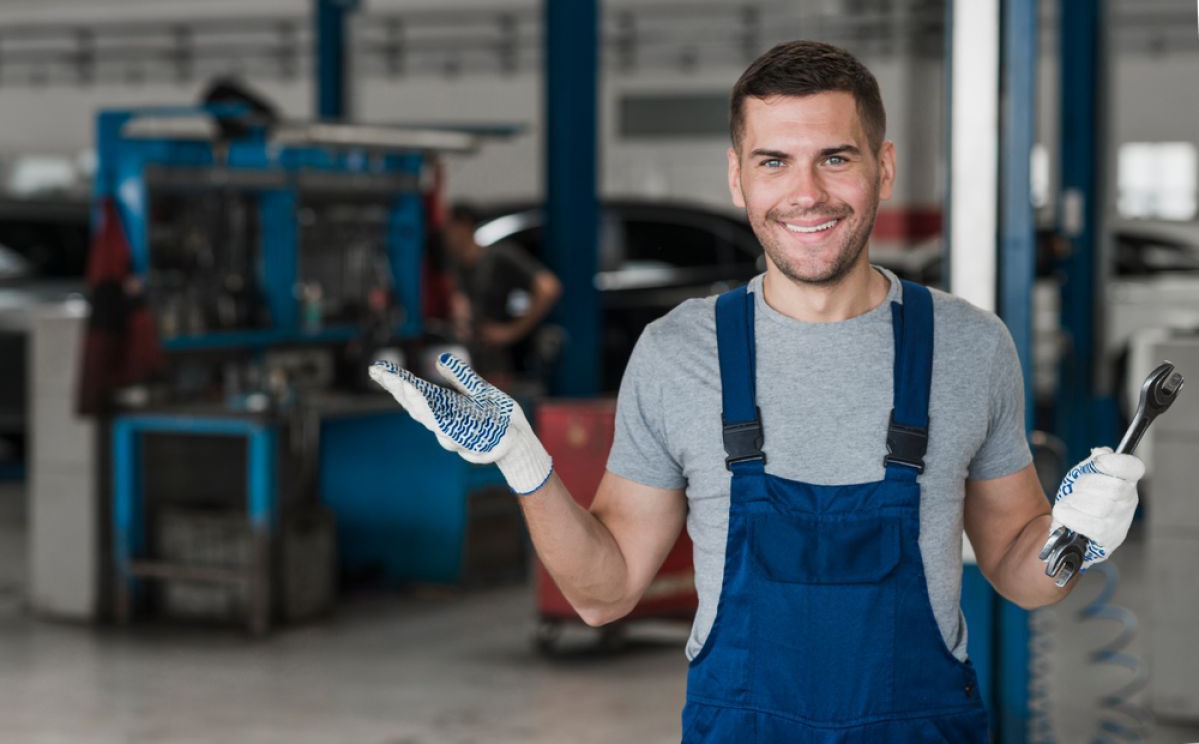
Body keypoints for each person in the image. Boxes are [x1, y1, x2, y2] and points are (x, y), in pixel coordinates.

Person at [370, 41, 1144, 741]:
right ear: (737, 178)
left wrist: (1070, 537)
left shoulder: (969, 347)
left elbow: (1021, 577)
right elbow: (602, 596)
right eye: (774, 161)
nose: (805, 193)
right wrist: (525, 465)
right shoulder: (678, 353)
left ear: (884, 165)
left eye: (835, 158)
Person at [440, 202, 563, 386]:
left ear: (464, 226)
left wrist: (511, 332)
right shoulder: (448, 268)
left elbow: (548, 287)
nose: (443, 236)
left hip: (492, 367)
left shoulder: (497, 258)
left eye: (448, 228)